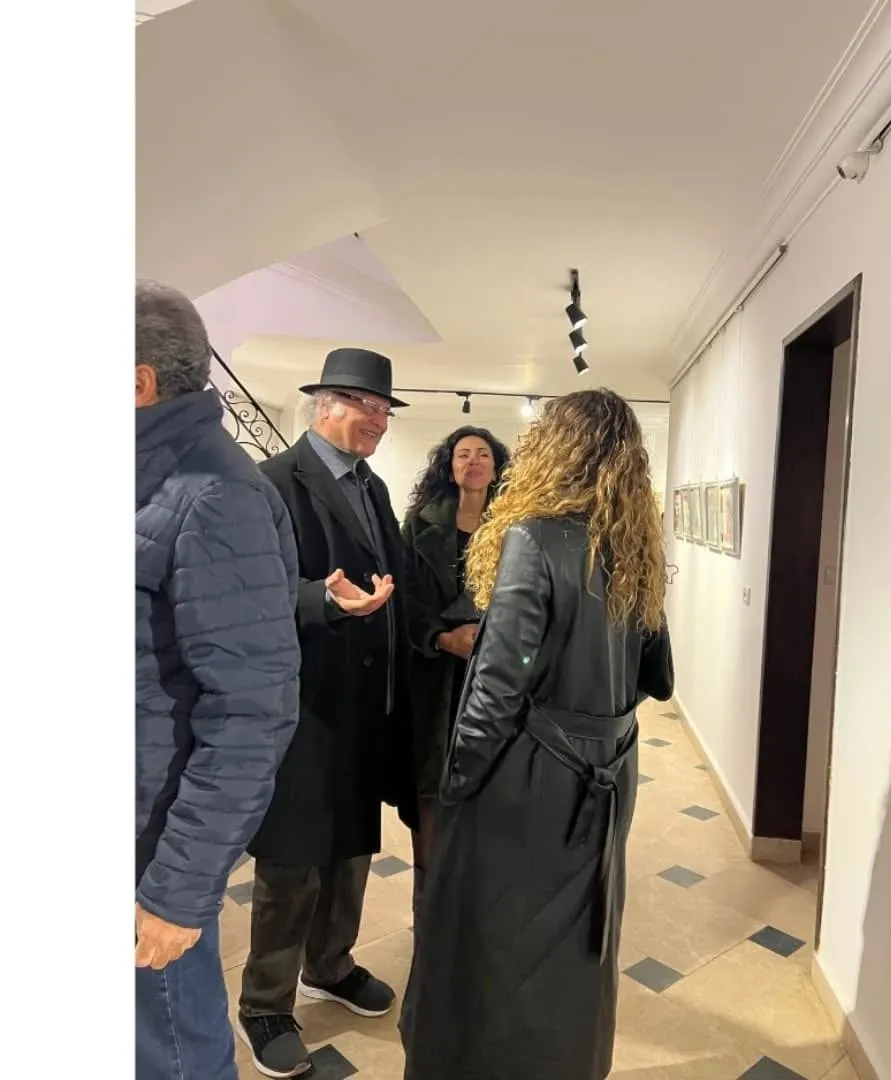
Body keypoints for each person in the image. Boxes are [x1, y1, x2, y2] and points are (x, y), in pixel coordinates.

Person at [400, 388, 675, 1080]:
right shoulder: (633, 542)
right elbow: (658, 675)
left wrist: (459, 783)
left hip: (534, 774)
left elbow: (499, 683)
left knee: (501, 939)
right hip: (612, 769)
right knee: (582, 939)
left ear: (556, 449)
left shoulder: (533, 535)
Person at [135, 280, 302, 1080]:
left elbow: (250, 714)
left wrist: (179, 890)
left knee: (173, 1055)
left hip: (149, 853)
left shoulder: (215, 493)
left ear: (138, 382)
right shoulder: (145, 476)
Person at [237, 347, 420, 1079]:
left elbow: (396, 578)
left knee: (350, 849)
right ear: (323, 405)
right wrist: (322, 599)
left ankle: (331, 965)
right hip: (303, 707)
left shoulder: (372, 486)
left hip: (364, 706)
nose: (377, 419)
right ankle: (264, 1005)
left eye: (383, 409)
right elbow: (244, 594)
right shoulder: (272, 483)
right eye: (363, 405)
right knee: (293, 862)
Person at [399, 425, 511, 913]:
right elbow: (403, 598)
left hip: (497, 676)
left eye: (483, 454)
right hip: (433, 677)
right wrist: (442, 637)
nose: (473, 462)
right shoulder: (419, 523)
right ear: (449, 467)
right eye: (463, 454)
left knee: (491, 787)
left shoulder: (518, 525)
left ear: (496, 467)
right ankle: (429, 913)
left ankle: (478, 911)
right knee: (431, 790)